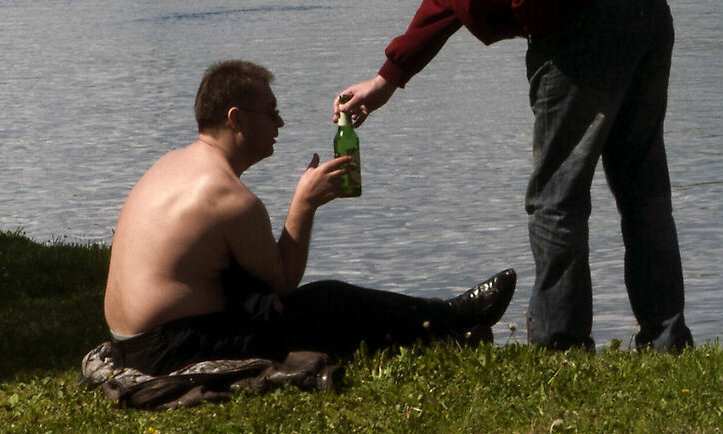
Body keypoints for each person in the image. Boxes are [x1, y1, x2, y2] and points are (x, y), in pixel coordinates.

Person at [333, 0, 690, 352]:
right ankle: (665, 340)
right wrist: (389, 77)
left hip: (585, 27)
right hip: (640, 7)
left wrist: (539, 35)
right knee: (642, 191)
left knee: (555, 198)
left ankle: (559, 345)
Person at [104, 59, 515, 375]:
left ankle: (449, 331)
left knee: (295, 305)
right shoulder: (228, 197)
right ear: (236, 118)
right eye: (271, 112)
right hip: (170, 349)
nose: (280, 123)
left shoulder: (172, 164)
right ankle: (452, 317)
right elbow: (283, 282)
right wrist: (305, 203)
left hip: (131, 342)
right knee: (325, 303)